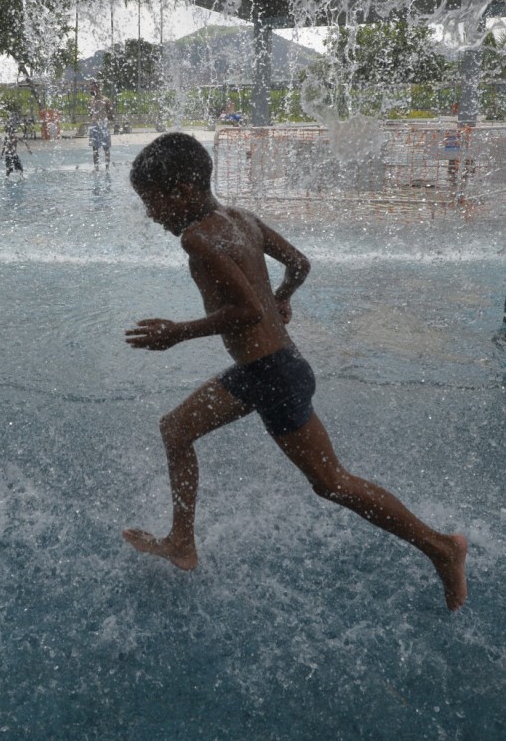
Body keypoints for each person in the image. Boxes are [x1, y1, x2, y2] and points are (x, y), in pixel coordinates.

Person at [123, 132, 468, 612]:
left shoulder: (197, 238)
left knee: (332, 482)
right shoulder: (241, 219)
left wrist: (178, 332)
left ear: (181, 191)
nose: (150, 214)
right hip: (273, 368)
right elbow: (299, 264)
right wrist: (281, 298)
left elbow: (246, 311)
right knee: (176, 429)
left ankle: (442, 548)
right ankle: (182, 541)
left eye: (152, 202)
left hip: (272, 376)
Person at [88, 83, 113, 170]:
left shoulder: (106, 100)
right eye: (90, 89)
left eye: (92, 89)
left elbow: (111, 114)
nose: (91, 91)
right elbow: (91, 114)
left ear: (98, 89)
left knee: (106, 148)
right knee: (95, 149)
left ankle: (107, 168)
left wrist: (105, 119)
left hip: (103, 126)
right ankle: (96, 169)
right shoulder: (91, 100)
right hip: (94, 126)